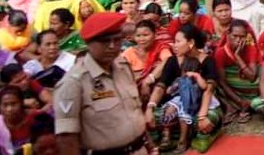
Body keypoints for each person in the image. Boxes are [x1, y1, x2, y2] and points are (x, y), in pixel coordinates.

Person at [54, 12, 152, 155]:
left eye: (117, 40)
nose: (112, 46)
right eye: (105, 41)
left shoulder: (123, 67)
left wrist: (150, 146)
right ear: (89, 43)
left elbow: (134, 112)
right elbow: (66, 139)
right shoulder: (74, 82)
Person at [145, 24, 223, 153]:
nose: (174, 45)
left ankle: (188, 136)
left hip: (202, 104)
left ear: (191, 42)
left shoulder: (207, 61)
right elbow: (161, 87)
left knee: (204, 121)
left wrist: (202, 116)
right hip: (178, 103)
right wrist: (150, 107)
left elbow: (208, 90)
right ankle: (172, 137)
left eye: (178, 41)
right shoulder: (172, 61)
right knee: (152, 117)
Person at [213, 19, 260, 124]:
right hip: (232, 91)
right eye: (235, 36)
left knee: (259, 79)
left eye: (242, 36)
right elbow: (222, 81)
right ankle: (237, 105)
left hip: (248, 88)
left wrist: (238, 57)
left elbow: (252, 77)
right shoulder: (221, 52)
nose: (238, 40)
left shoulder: (250, 48)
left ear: (247, 37)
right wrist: (239, 100)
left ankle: (243, 105)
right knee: (215, 85)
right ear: (228, 35)